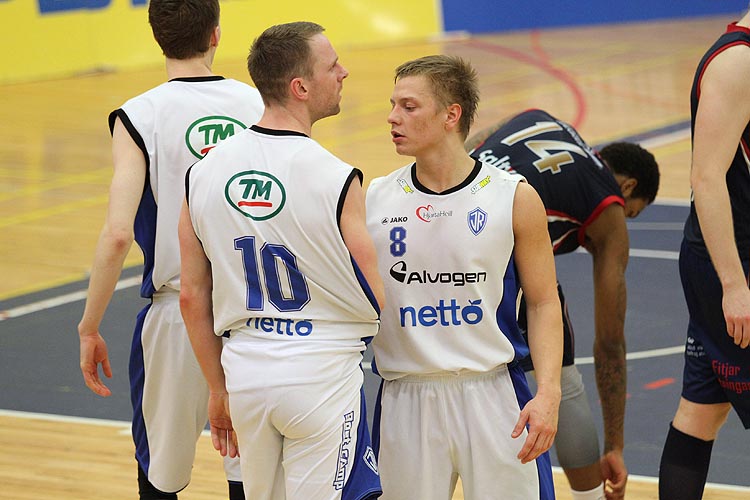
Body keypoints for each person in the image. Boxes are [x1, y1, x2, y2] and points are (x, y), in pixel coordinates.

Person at [178, 21, 385, 500]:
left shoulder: (202, 173)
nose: (343, 73)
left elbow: (191, 296)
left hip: (246, 371)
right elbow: (375, 295)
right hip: (320, 373)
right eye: (332, 66)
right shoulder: (338, 178)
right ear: (300, 87)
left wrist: (217, 388)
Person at [76, 1, 264, 498]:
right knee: (251, 473)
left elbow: (118, 234)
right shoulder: (257, 104)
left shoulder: (138, 115)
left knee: (159, 476)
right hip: (253, 310)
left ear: (158, 37)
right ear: (216, 34)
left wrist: (89, 326)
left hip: (176, 313)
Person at [366, 55, 563, 500]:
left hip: (493, 396)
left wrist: (548, 393)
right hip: (405, 398)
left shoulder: (513, 197)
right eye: (393, 105)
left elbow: (543, 302)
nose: (393, 117)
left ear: (451, 115)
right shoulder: (374, 199)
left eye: (409, 106)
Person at [465, 109, 660, 500]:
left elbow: (473, 142)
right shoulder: (607, 205)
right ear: (627, 186)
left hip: (434, 220)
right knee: (562, 376)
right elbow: (610, 343)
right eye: (631, 211)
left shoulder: (544, 120)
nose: (625, 217)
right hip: (488, 261)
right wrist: (615, 445)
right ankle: (590, 496)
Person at [658, 8, 750, 500]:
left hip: (726, 259)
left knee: (702, 411)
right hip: (735, 262)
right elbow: (706, 177)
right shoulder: (738, 61)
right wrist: (735, 286)